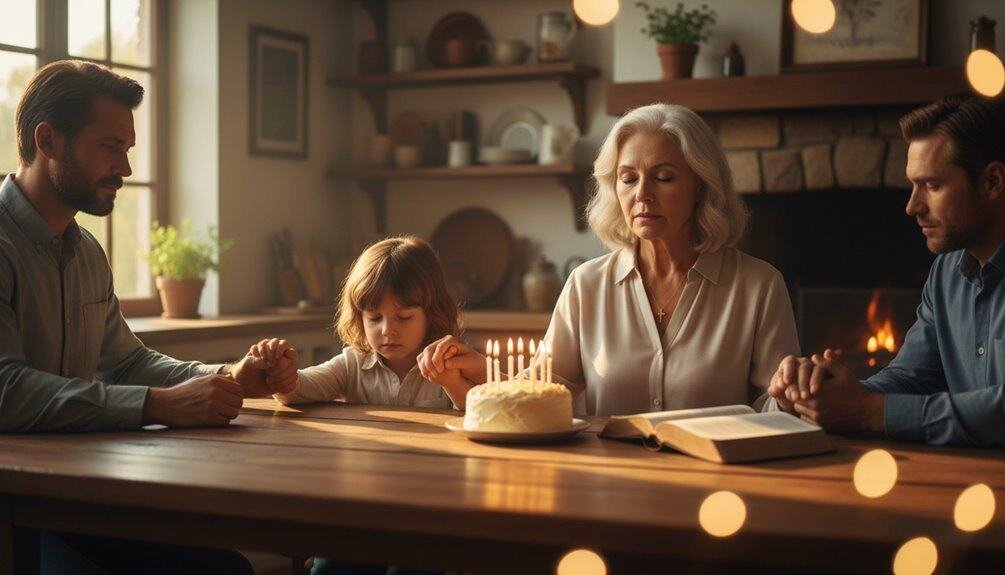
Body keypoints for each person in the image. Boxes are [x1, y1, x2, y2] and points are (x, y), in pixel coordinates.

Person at [0, 60, 294, 574]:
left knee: (226, 568)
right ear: (48, 141)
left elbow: (127, 362)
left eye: (128, 149)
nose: (127, 168)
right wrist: (158, 405)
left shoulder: (87, 251)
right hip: (15, 512)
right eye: (110, 147)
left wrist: (229, 379)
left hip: (78, 495)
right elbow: (6, 390)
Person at [418, 104, 800, 416]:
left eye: (664, 178)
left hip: (714, 488)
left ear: (701, 186)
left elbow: (777, 408)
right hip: (606, 482)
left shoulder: (759, 286)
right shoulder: (586, 285)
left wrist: (790, 396)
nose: (643, 195)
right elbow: (544, 391)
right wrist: (477, 369)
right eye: (628, 178)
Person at [768, 92, 1005, 446]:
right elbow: (912, 376)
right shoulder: (946, 272)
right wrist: (825, 395)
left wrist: (869, 412)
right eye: (913, 185)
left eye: (932, 185)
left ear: (992, 182)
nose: (912, 206)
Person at [253, 235, 471, 575]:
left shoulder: (451, 361)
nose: (387, 331)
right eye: (374, 318)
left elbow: (480, 416)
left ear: (432, 314)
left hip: (430, 515)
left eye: (404, 317)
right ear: (359, 317)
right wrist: (280, 372)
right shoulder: (353, 363)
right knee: (330, 570)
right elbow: (299, 389)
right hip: (363, 514)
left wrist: (452, 383)